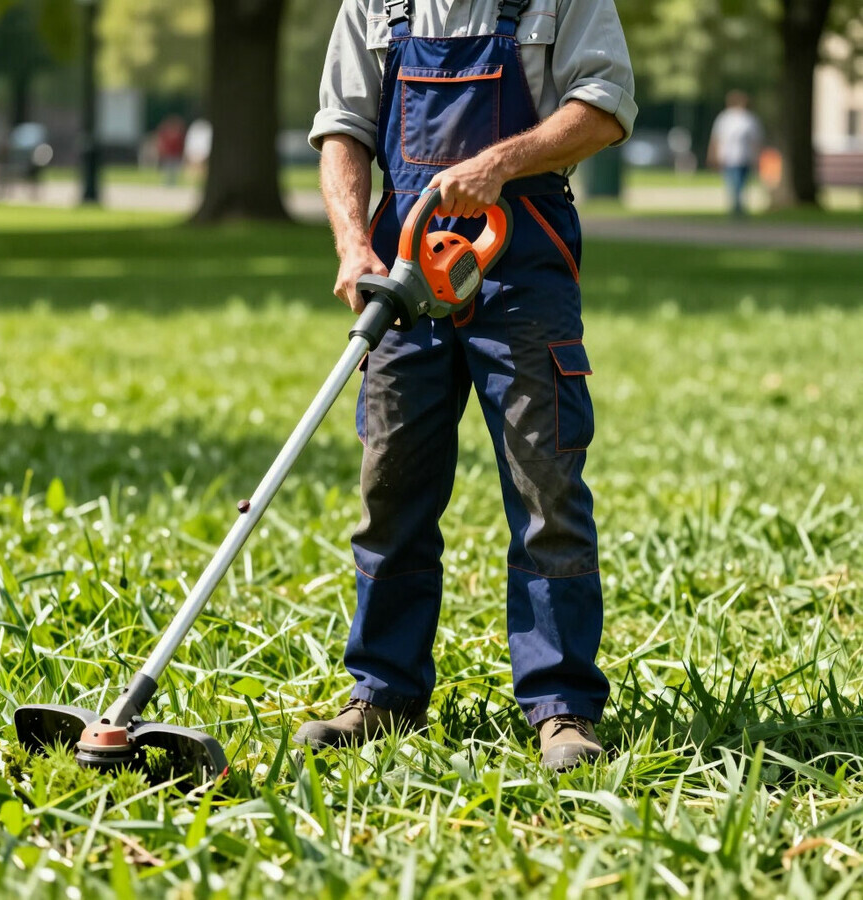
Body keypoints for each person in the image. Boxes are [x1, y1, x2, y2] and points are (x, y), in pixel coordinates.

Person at [294, 0, 637, 772]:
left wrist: (499, 163)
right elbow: (343, 127)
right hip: (404, 267)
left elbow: (604, 107)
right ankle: (383, 693)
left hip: (522, 270)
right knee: (390, 486)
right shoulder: (377, 7)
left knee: (545, 484)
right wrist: (352, 247)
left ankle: (563, 708)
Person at [708, 90, 764, 216]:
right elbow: (717, 138)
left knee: (741, 182)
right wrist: (713, 155)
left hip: (744, 156)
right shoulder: (725, 118)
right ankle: (737, 206)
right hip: (728, 157)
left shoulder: (749, 119)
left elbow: (756, 140)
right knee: (733, 182)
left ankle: (737, 206)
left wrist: (757, 156)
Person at [155, 115, 187, 186]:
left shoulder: (178, 134)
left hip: (175, 155)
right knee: (168, 169)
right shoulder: (167, 133)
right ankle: (168, 182)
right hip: (169, 155)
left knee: (174, 169)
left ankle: (172, 182)